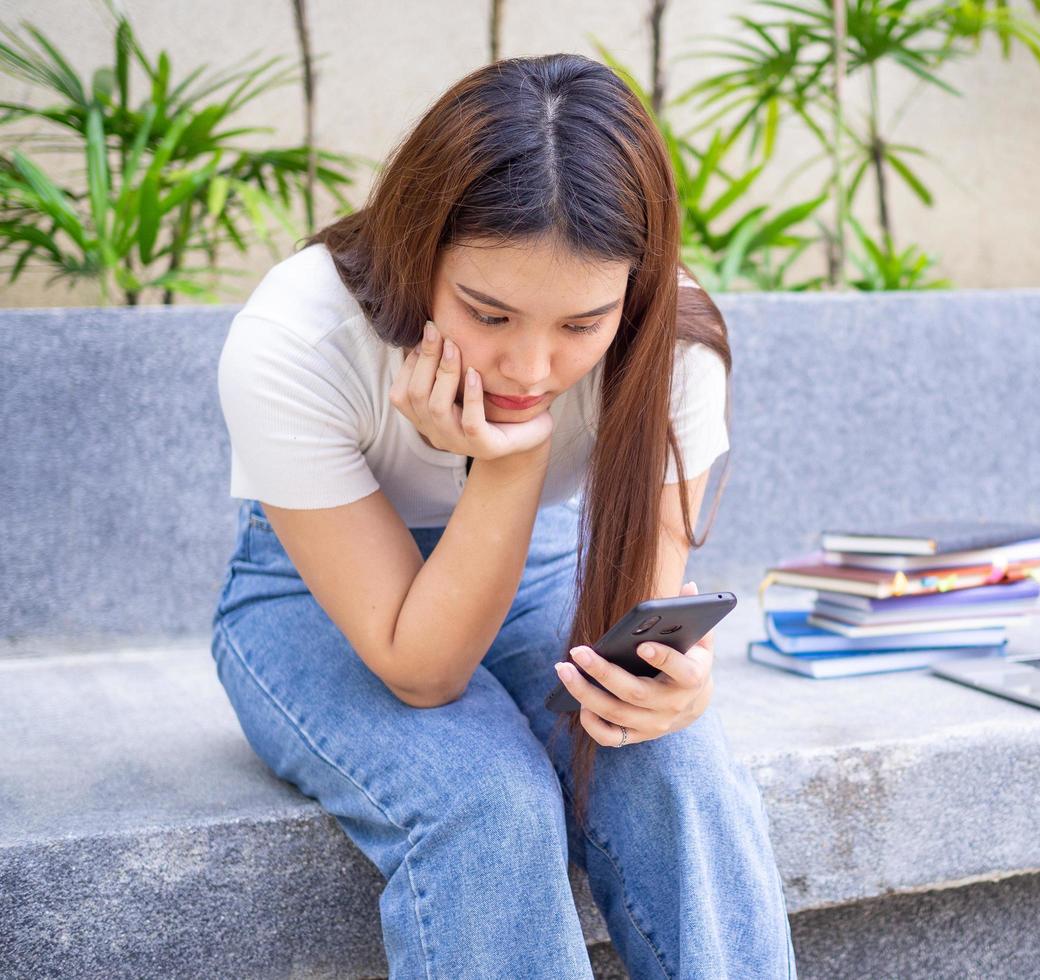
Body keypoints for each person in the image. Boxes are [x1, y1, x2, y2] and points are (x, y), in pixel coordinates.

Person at [209, 53, 797, 979]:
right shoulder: (298, 335)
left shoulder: (670, 341)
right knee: (486, 800)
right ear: (418, 247)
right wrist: (509, 465)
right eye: (490, 315)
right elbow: (424, 674)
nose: (529, 370)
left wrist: (680, 685)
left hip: (543, 574)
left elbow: (647, 621)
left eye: (580, 326)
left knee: (673, 767)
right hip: (309, 597)